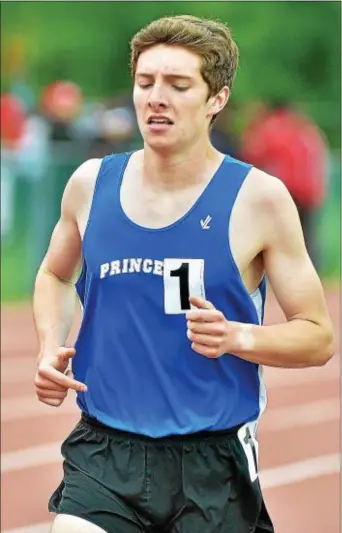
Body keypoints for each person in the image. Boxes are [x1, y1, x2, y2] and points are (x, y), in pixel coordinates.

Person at [33, 15, 334, 533]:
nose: (156, 98)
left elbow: (318, 337)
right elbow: (57, 277)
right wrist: (47, 344)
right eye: (145, 83)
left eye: (178, 85)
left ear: (216, 98)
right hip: (106, 450)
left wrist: (237, 335)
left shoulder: (258, 199)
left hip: (210, 463)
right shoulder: (89, 185)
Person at [241, 99, 329, 271]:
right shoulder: (309, 131)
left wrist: (252, 125)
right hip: (310, 192)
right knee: (306, 236)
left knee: (277, 236)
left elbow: (252, 153)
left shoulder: (275, 127)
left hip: (288, 191)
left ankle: (272, 275)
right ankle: (312, 274)